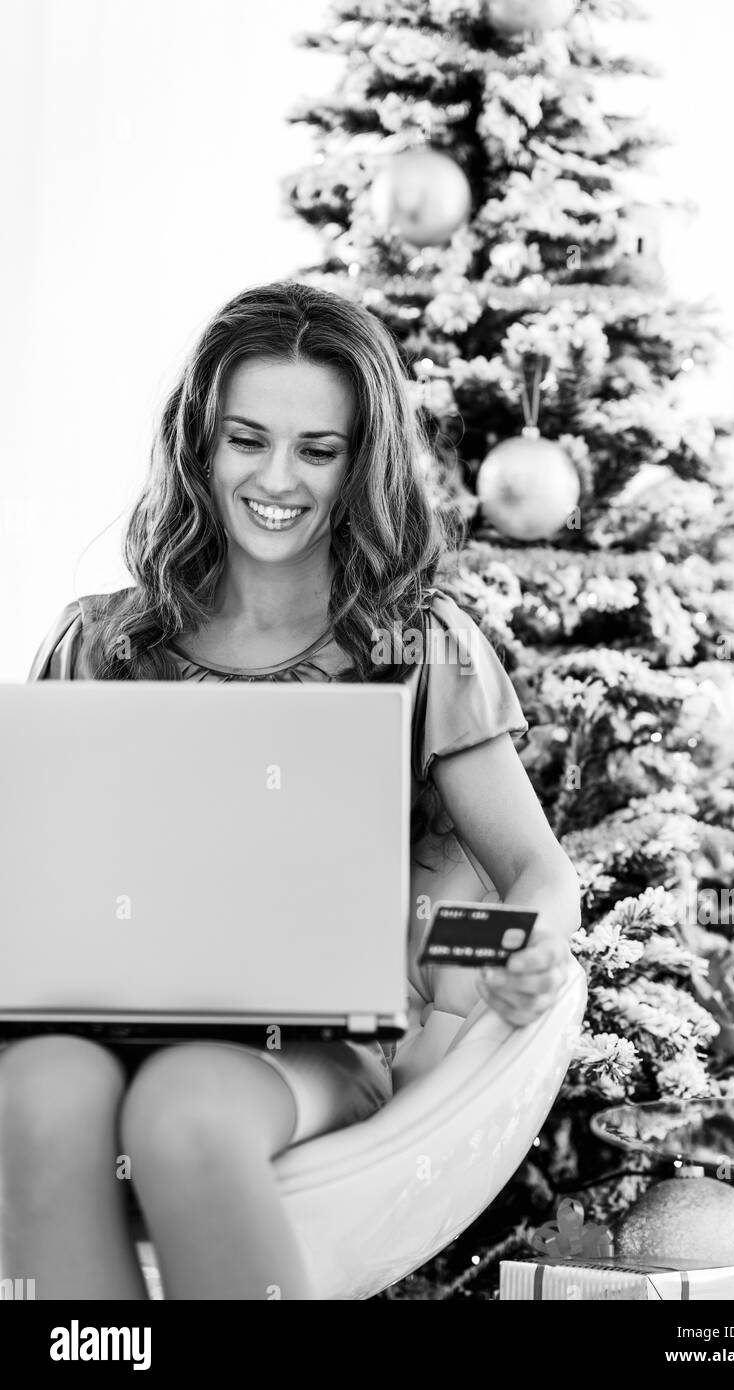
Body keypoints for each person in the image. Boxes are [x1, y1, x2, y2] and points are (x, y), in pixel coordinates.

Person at [0, 281, 581, 1300]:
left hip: (297, 1049)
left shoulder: (418, 643)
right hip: (91, 1025)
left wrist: (519, 948)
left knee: (185, 1108)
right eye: (246, 440)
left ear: (363, 463)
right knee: (37, 1092)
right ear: (198, 445)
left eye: (319, 449)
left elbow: (532, 871)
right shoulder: (100, 640)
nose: (278, 478)